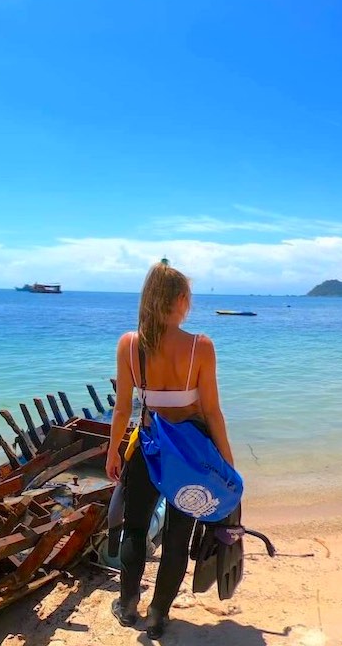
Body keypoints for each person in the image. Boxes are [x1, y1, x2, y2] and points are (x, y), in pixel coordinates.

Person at [105, 260, 235, 639]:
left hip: (148, 448)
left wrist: (114, 452)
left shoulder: (129, 345)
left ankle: (127, 605)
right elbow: (212, 411)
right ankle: (158, 615)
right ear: (179, 299)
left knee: (135, 528)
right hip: (192, 457)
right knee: (178, 536)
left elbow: (122, 408)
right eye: (188, 298)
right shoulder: (200, 347)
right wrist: (227, 463)